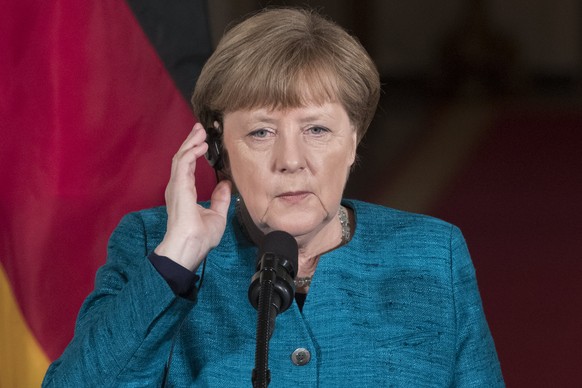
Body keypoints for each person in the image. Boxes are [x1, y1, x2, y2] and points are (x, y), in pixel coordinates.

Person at [42, 7, 504, 387]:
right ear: (218, 149)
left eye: (317, 129)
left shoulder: (433, 255)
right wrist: (177, 259)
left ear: (354, 141)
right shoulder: (152, 246)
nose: (291, 160)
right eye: (261, 132)